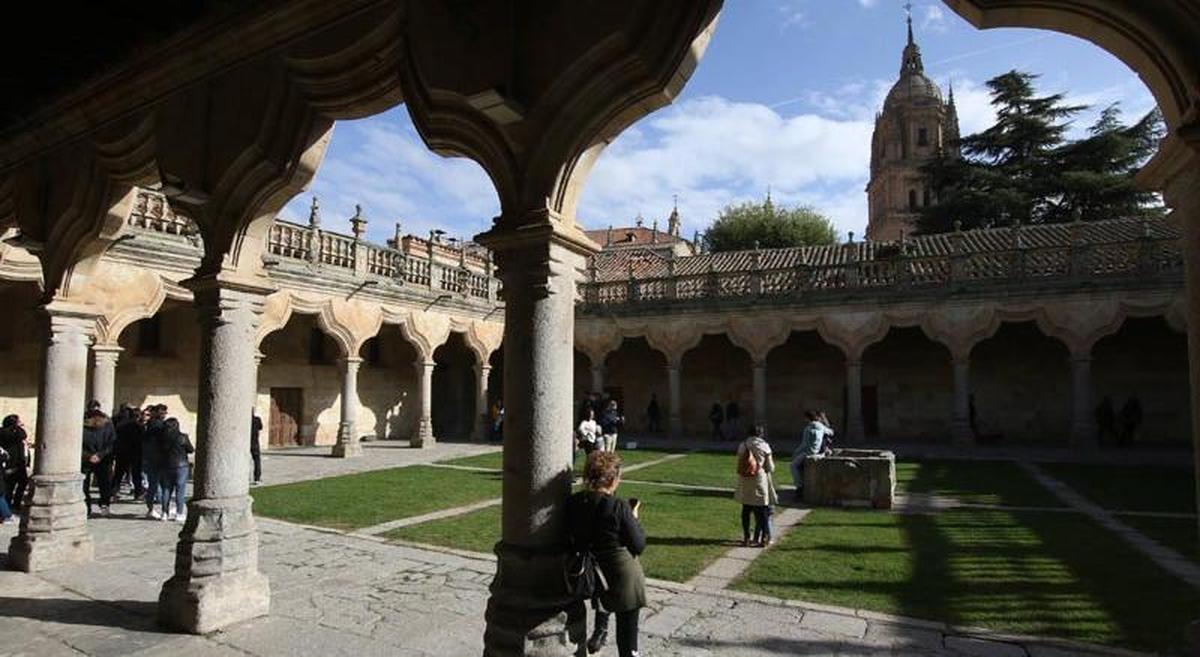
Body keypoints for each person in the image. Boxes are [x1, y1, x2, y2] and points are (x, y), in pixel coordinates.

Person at [566, 451, 646, 657]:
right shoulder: (618, 506)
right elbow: (638, 545)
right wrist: (634, 518)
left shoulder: (574, 502)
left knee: (600, 608)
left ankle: (599, 633)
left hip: (591, 573)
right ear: (612, 479)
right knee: (628, 637)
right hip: (622, 575)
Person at [735, 425, 777, 547]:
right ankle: (764, 537)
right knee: (762, 512)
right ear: (761, 434)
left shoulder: (743, 445)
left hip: (745, 480)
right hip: (759, 480)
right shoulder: (764, 446)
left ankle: (746, 537)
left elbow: (740, 462)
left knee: (746, 510)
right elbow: (770, 467)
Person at [791, 410, 834, 500]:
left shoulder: (808, 429)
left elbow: (804, 444)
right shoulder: (821, 426)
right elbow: (831, 432)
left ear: (807, 418)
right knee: (800, 465)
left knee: (793, 465)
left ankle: (799, 487)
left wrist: (795, 452)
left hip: (809, 453)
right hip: (820, 453)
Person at [157, 417, 193, 522]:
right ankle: (179, 513)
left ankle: (164, 513)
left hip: (166, 466)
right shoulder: (182, 437)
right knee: (180, 491)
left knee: (166, 490)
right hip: (181, 466)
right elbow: (190, 449)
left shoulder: (161, 438)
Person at [81, 409, 115, 517]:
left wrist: (100, 455)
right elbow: (76, 443)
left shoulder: (108, 426)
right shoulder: (82, 427)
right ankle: (86, 506)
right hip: (86, 460)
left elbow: (111, 443)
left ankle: (104, 504)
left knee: (105, 484)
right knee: (84, 485)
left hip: (103, 459)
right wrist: (88, 456)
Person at [112, 404, 143, 499]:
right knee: (136, 474)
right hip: (135, 452)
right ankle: (138, 493)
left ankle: (113, 492)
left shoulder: (119, 426)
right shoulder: (137, 426)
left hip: (122, 452)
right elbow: (141, 439)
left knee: (118, 473)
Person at [142, 405, 167, 518]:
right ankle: (163, 510)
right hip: (160, 459)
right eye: (163, 412)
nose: (164, 414)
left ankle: (151, 509)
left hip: (150, 458)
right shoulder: (161, 426)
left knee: (153, 485)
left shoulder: (148, 425)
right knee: (162, 485)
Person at [0, 414, 29, 510]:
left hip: (19, 463)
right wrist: (17, 426)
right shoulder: (4, 432)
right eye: (18, 421)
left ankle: (15, 503)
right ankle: (7, 508)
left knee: (23, 482)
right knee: (9, 486)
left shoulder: (14, 431)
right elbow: (22, 435)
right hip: (11, 463)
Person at [251, 411, 263, 485]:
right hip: (255, 443)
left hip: (246, 442)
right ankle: (257, 478)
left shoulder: (245, 421)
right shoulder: (257, 419)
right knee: (257, 460)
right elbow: (260, 427)